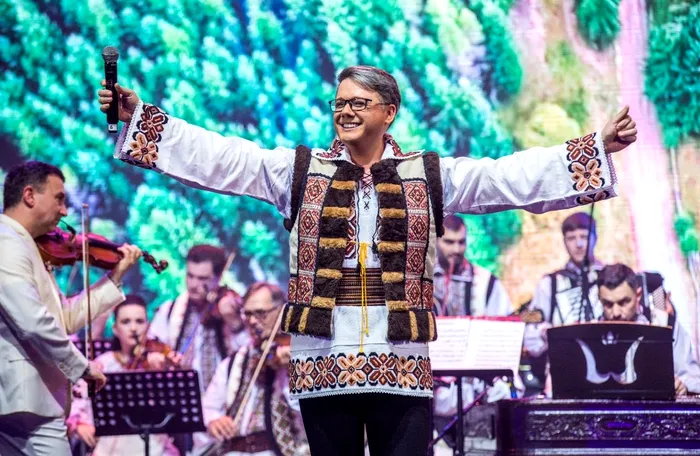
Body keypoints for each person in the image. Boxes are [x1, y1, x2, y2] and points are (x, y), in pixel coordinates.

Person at [98, 64, 637, 455]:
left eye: (359, 103)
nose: (346, 111)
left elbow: (505, 178)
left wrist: (594, 148)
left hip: (399, 359)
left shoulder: (426, 174)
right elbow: (222, 158)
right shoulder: (299, 171)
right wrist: (140, 118)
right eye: (340, 103)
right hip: (323, 359)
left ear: (388, 112)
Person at [0, 161, 142, 456]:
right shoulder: (7, 241)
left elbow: (63, 319)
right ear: (29, 195)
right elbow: (34, 323)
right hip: (25, 399)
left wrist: (114, 278)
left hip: (25, 401)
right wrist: (82, 367)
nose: (65, 211)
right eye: (59, 198)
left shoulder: (27, 244)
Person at [544, 263, 700, 396]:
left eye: (624, 302)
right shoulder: (585, 332)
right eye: (608, 304)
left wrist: (682, 386)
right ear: (600, 300)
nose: (616, 312)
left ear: (638, 295)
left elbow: (692, 377)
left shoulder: (664, 324)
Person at [195, 282, 309, 456]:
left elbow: (308, 414)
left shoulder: (299, 355)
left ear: (281, 312)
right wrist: (214, 421)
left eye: (261, 313)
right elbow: (209, 407)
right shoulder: (234, 361)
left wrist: (292, 370)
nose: (253, 321)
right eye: (247, 314)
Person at [67, 295, 180, 455]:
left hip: (154, 447)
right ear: (115, 329)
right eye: (126, 322)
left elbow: (179, 403)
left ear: (148, 325)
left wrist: (162, 374)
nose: (133, 328)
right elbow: (77, 403)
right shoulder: (102, 364)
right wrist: (79, 425)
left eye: (139, 321)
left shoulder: (158, 361)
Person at [147, 244, 250, 391]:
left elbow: (248, 353)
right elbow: (153, 346)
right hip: (181, 394)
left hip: (224, 395)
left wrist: (234, 323)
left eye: (203, 279)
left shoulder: (232, 309)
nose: (194, 284)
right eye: (190, 276)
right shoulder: (169, 310)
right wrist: (159, 358)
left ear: (219, 277)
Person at [524, 212, 604, 357]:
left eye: (584, 237)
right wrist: (545, 332)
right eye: (571, 238)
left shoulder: (609, 277)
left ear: (596, 238)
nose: (579, 244)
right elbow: (530, 319)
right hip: (562, 360)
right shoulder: (549, 283)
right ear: (564, 242)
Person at [433, 215, 512, 317]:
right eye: (449, 242)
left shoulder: (486, 281)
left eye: (461, 242)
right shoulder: (423, 277)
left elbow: (503, 321)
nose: (456, 249)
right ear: (436, 241)